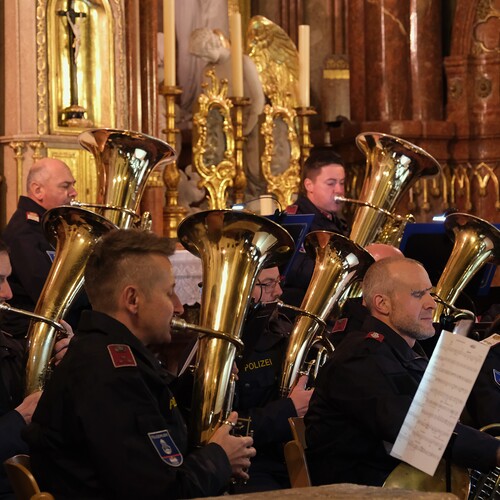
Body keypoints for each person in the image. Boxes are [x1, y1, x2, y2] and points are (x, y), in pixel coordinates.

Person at [24, 229, 256, 500]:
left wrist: (199, 384)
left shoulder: (101, 352)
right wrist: (219, 458)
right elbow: (162, 492)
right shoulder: (112, 374)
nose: (178, 306)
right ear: (132, 299)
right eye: (170, 293)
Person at [305, 257, 500, 487]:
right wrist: (495, 451)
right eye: (418, 295)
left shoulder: (405, 352)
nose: (432, 304)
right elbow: (418, 430)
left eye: (430, 293)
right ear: (382, 304)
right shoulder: (359, 359)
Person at [0, 239, 72, 499]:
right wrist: (20, 419)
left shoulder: (8, 342)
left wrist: (61, 364)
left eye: (8, 280)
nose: (8, 293)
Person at [232, 266, 312, 492]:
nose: (278, 292)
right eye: (268, 284)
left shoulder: (285, 328)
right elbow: (226, 427)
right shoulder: (221, 347)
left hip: (291, 457)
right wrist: (290, 408)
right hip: (253, 464)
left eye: (279, 281)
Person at [2, 158, 77, 337]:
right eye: (65, 186)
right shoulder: (25, 231)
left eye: (73, 185)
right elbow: (49, 295)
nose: (74, 192)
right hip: (29, 332)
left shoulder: (46, 226)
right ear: (38, 190)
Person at [282, 147, 349, 306]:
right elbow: (297, 271)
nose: (339, 190)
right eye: (330, 183)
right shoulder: (295, 221)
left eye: (342, 183)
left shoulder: (337, 221)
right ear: (309, 185)